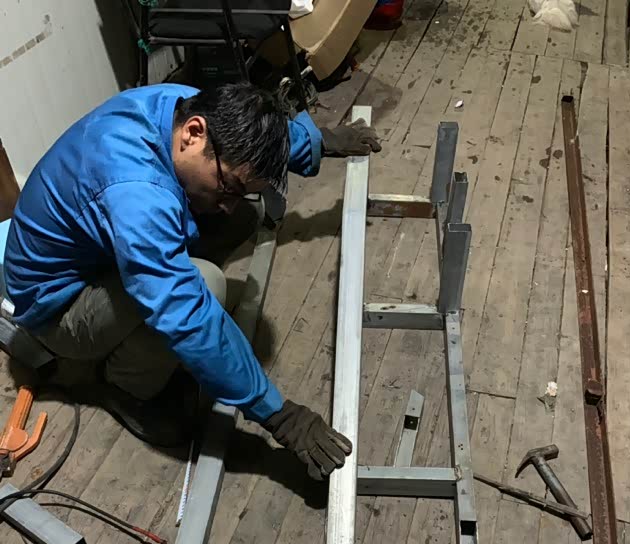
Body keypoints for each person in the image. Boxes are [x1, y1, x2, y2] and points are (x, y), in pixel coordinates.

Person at [4, 82, 380, 480]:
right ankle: (126, 387)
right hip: (57, 309)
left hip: (91, 255)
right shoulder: (137, 194)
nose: (229, 201)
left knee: (238, 219)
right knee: (206, 284)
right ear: (193, 134)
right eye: (230, 186)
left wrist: (319, 141)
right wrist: (278, 414)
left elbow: (257, 132)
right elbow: (187, 316)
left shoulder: (183, 108)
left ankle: (152, 320)